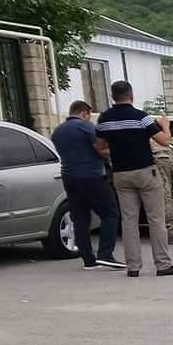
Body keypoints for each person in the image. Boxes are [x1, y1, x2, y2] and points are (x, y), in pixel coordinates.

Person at [94, 82, 173, 278]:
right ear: (131, 95)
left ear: (113, 96)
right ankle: (163, 264)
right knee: (156, 219)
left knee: (129, 221)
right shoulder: (141, 117)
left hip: (121, 174)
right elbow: (165, 141)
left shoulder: (104, 119)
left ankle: (133, 266)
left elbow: (99, 147)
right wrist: (166, 127)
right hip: (145, 172)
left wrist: (116, 152)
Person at [50, 100, 122, 270]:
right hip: (91, 176)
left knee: (80, 218)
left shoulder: (57, 131)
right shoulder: (86, 127)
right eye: (88, 116)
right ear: (84, 113)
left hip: (68, 176)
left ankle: (88, 260)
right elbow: (100, 148)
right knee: (110, 213)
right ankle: (106, 254)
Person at [152, 113, 173, 242]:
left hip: (161, 162)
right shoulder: (163, 136)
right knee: (169, 197)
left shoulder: (150, 135)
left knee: (165, 197)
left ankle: (169, 230)